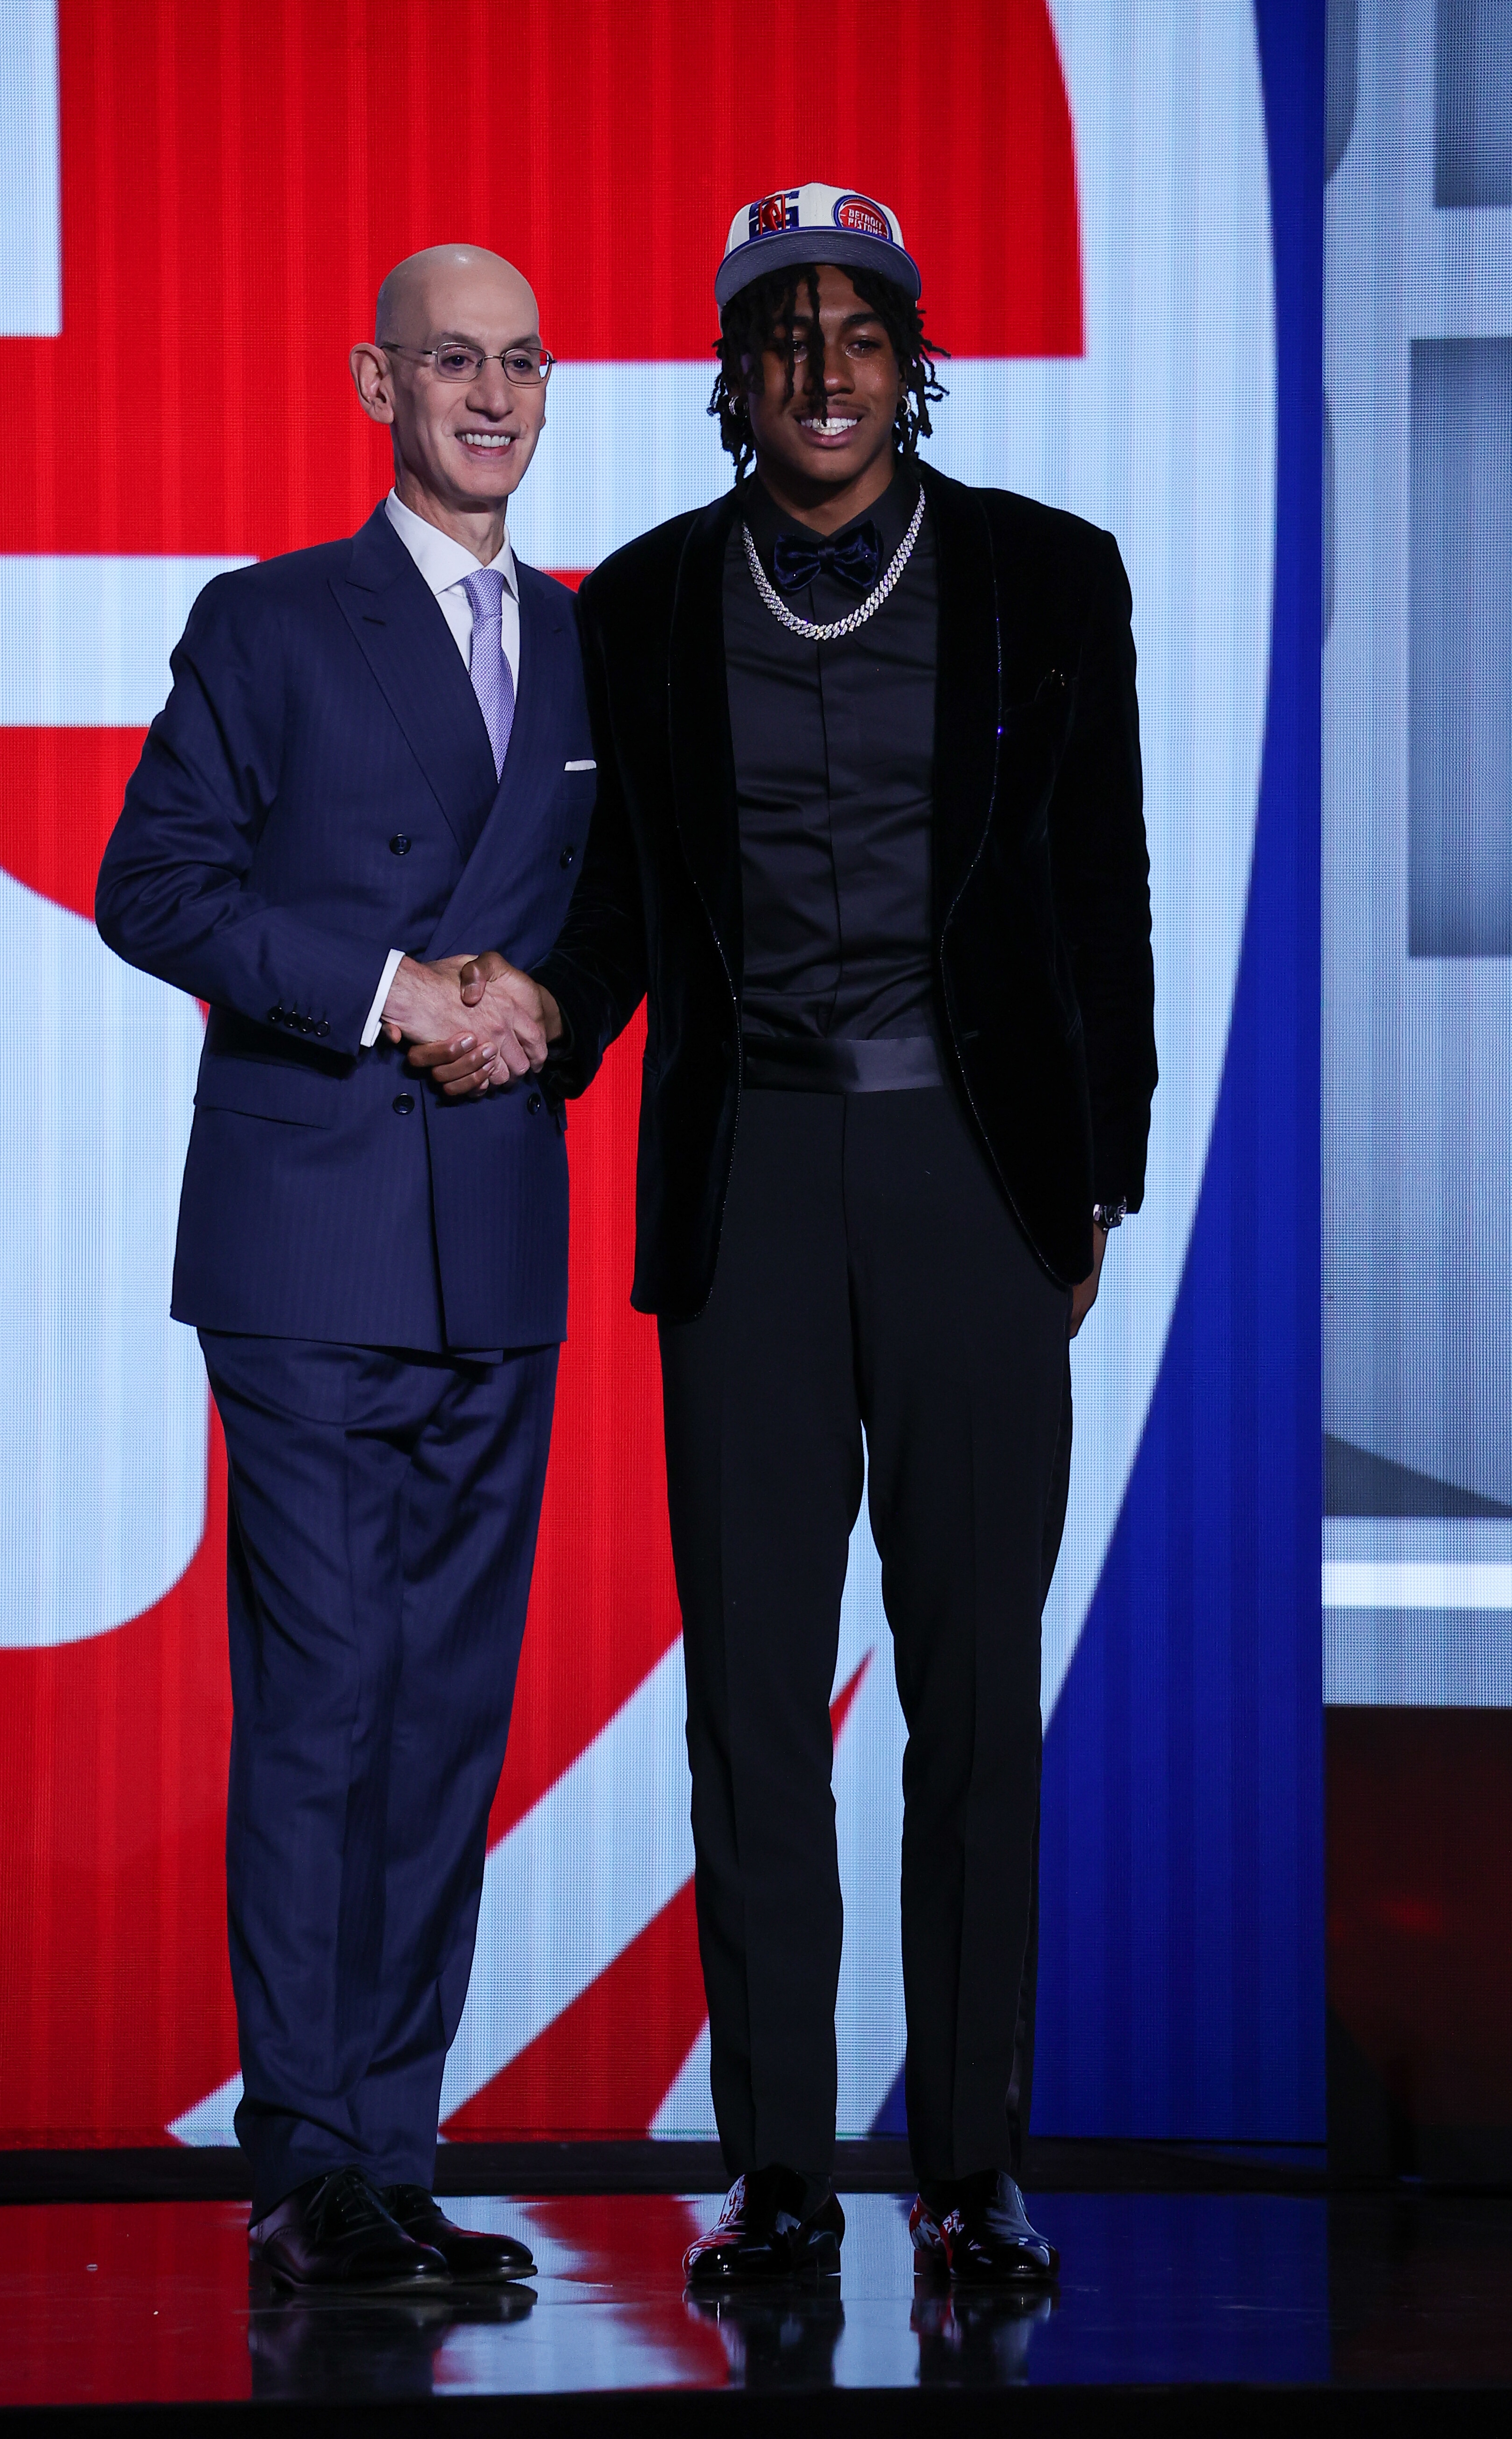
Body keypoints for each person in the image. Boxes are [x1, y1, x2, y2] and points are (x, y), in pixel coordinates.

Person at [447, 184, 1155, 2287]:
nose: (827, 370)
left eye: (862, 332)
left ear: (911, 357)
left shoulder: (1048, 578)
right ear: (733, 374)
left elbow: (1102, 897)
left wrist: (1087, 1179)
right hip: (747, 1189)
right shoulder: (643, 601)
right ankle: (771, 2172)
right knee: (751, 1695)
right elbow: (618, 901)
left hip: (969, 1185)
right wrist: (536, 1009)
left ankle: (971, 2164)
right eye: (785, 335)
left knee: (966, 1690)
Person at [96, 243, 588, 2294]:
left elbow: (602, 922)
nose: (489, 394)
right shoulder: (272, 618)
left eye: (521, 363)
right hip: (308, 1241)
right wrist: (396, 989)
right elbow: (152, 885)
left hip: (496, 1243)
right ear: (375, 377)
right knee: (321, 1704)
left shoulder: (580, 643)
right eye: (451, 360)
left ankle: (394, 2140)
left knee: (450, 1717)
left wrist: (536, 1014)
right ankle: (303, 2159)